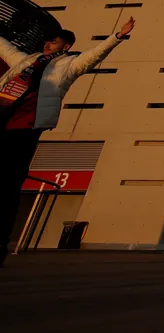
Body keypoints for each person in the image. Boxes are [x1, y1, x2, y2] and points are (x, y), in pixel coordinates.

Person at [1, 17, 134, 267]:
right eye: (47, 41)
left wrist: (117, 36)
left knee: (9, 182)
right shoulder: (26, 60)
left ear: (66, 46)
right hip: (3, 119)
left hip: (25, 128)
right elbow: (5, 47)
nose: (48, 44)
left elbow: (95, 55)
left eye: (54, 42)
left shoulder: (68, 66)